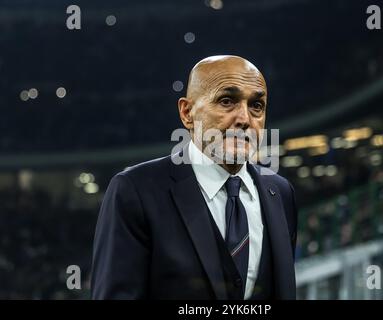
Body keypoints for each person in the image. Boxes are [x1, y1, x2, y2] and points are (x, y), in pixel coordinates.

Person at [91, 55, 298, 299]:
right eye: (227, 101)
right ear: (187, 112)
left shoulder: (280, 193)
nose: (244, 119)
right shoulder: (135, 191)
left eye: (256, 106)